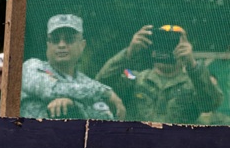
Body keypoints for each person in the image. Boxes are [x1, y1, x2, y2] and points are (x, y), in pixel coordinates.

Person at [95, 24, 223, 124]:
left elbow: (211, 103)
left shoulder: (194, 84)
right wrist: (128, 53)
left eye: (173, 43)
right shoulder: (134, 77)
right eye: (162, 42)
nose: (167, 48)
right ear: (153, 50)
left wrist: (192, 64)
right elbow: (100, 84)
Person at [20, 14, 126, 120]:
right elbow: (52, 90)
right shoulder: (32, 67)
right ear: (48, 44)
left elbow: (106, 118)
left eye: (69, 39)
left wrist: (74, 105)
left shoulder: (86, 82)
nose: (61, 45)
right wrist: (103, 92)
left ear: (82, 45)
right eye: (55, 40)